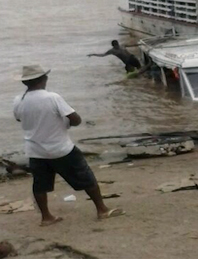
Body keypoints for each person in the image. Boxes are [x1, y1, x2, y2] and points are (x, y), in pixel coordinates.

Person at [13, 65, 124, 226]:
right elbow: (76, 119)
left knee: (40, 185)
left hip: (35, 151)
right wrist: (65, 123)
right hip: (60, 148)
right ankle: (102, 209)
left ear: (25, 83)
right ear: (44, 79)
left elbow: (19, 118)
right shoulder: (52, 97)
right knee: (86, 177)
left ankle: (46, 217)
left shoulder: (19, 101)